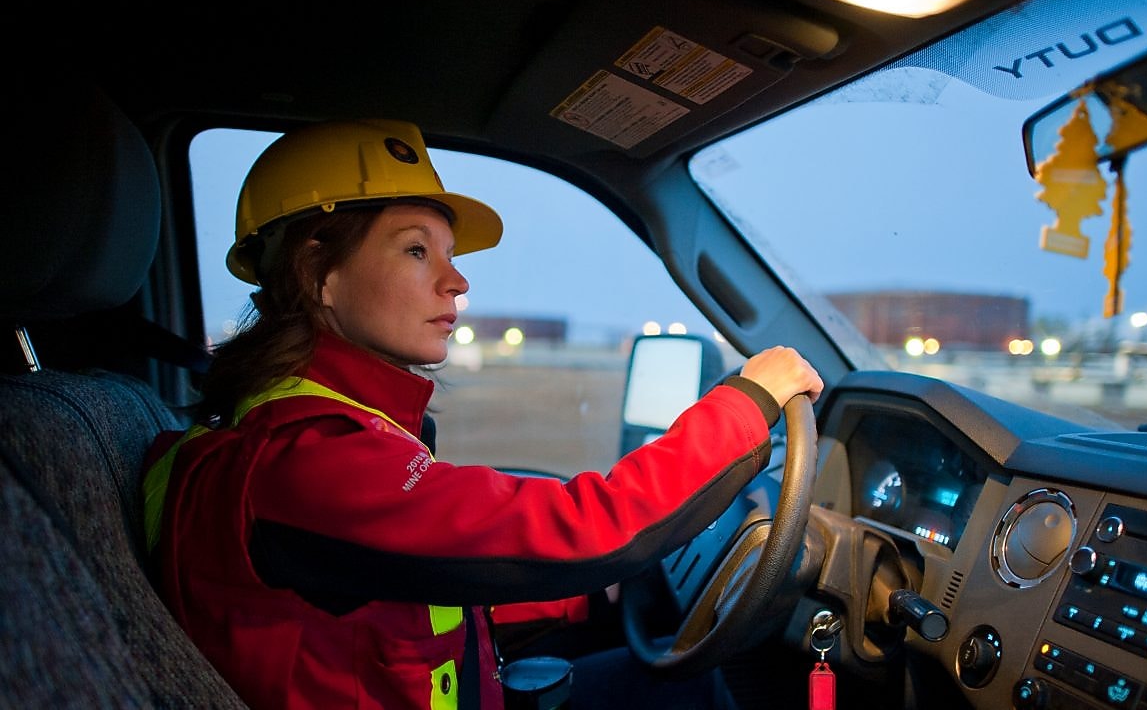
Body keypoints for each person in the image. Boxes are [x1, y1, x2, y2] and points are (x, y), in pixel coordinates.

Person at [143, 118, 824, 710]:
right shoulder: (310, 459)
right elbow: (581, 529)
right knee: (687, 690)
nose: (458, 279)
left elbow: (409, 597)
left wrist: (587, 595)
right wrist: (750, 400)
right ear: (318, 271)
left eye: (450, 253)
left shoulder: (317, 431)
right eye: (417, 250)